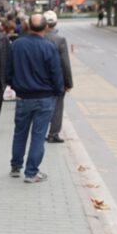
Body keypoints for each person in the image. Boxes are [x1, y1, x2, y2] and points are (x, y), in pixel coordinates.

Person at [5, 14, 64, 182]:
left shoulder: (17, 45)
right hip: (45, 98)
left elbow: (8, 71)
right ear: (46, 27)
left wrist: (14, 85)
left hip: (23, 97)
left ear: (28, 26)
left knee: (19, 133)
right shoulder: (49, 47)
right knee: (38, 136)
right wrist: (58, 91)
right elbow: (56, 73)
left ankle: (16, 167)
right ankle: (31, 173)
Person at [42, 11, 74, 144]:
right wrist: (68, 83)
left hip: (39, 80)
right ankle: (53, 134)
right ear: (55, 23)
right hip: (56, 81)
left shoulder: (37, 38)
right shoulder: (60, 40)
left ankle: (41, 132)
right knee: (57, 108)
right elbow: (65, 63)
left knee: (42, 108)